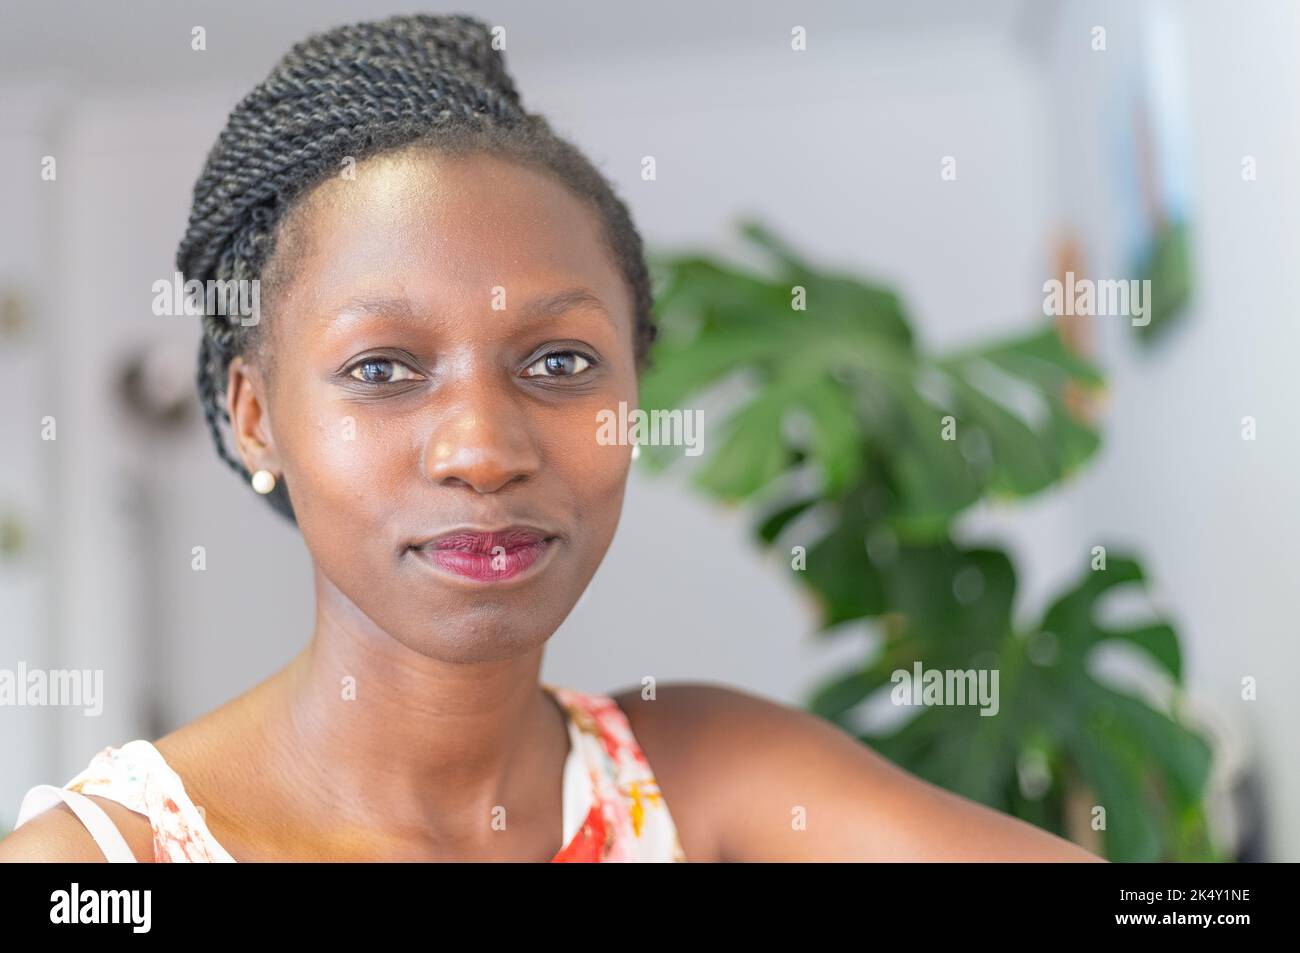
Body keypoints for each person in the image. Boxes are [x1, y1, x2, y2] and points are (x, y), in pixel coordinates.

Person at [0, 13, 1102, 863]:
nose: (482, 449)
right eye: (383, 368)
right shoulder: (105, 863)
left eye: (560, 362)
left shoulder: (707, 777)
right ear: (256, 416)